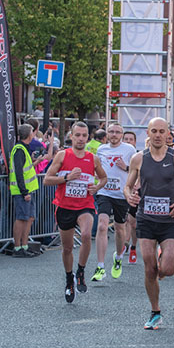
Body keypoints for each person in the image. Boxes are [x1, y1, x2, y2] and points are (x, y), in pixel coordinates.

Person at [124, 118, 174, 330]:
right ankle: (155, 312)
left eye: (161, 131)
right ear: (148, 133)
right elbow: (127, 186)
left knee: (168, 268)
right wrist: (129, 196)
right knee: (149, 266)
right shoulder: (138, 158)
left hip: (169, 219)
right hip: (146, 218)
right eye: (153, 131)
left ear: (168, 134)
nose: (157, 135)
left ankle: (163, 263)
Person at [43, 122, 107, 303]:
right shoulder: (62, 156)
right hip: (64, 206)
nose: (80, 139)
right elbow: (47, 179)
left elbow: (103, 178)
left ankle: (81, 270)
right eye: (77, 135)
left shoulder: (92, 158)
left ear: (88, 137)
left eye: (84, 135)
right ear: (71, 136)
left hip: (85, 205)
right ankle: (69, 278)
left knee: (86, 234)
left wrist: (97, 187)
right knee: (67, 248)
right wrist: (66, 178)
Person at [92, 122, 136, 281]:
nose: (114, 135)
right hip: (105, 192)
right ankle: (100, 266)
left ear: (122, 135)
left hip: (121, 194)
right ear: (107, 134)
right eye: (111, 132)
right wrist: (97, 178)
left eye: (117, 132)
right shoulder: (101, 149)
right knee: (102, 225)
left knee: (119, 229)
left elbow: (137, 170)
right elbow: (99, 169)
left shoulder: (129, 150)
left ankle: (118, 257)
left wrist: (125, 167)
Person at [9, 124, 38, 258]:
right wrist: (24, 191)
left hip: (28, 190)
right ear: (29, 134)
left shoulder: (23, 149)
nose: (33, 134)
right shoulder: (19, 149)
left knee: (29, 218)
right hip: (22, 191)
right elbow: (19, 172)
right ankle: (17, 247)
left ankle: (24, 245)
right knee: (21, 218)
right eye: (32, 132)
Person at [122, 130, 139, 263]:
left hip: (134, 193)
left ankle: (132, 246)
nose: (128, 142)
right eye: (126, 139)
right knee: (125, 222)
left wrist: (125, 167)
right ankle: (124, 244)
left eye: (130, 139)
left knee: (132, 223)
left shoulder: (139, 157)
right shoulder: (118, 154)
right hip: (119, 193)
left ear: (135, 142)